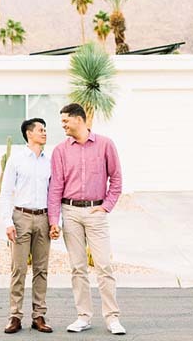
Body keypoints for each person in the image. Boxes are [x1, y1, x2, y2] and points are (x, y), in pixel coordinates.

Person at [47, 103, 125, 335]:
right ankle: (83, 316)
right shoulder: (60, 150)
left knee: (104, 266)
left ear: (79, 119)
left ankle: (112, 318)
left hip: (95, 212)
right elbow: (55, 187)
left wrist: (106, 207)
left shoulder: (105, 145)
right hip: (70, 212)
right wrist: (54, 220)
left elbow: (117, 179)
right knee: (78, 268)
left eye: (65, 121)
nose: (62, 125)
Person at [0, 117, 54, 334]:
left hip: (43, 218)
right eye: (41, 129)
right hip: (20, 217)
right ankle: (15, 316)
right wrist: (7, 222)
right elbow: (5, 193)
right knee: (18, 269)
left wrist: (54, 222)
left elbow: (54, 193)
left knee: (41, 270)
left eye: (45, 129)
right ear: (29, 133)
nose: (45, 133)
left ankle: (39, 316)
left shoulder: (50, 161)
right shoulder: (16, 159)